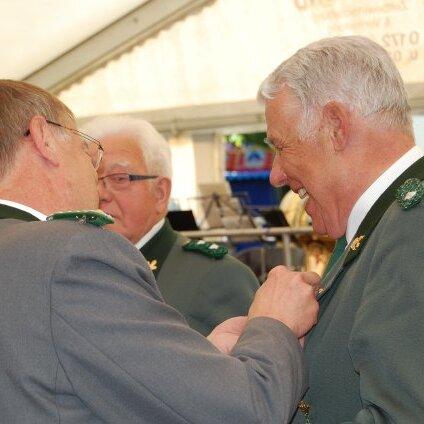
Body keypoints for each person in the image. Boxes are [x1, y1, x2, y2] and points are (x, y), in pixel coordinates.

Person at [0, 79, 320, 423]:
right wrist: (275, 324)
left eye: (119, 177)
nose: (97, 180)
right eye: (85, 148)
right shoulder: (70, 253)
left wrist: (199, 362)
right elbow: (245, 411)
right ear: (43, 138)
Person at [258, 36, 424, 423]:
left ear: (335, 126)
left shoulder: (412, 226)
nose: (275, 175)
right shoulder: (383, 225)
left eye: (281, 147)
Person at [81, 116, 259, 336]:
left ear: (160, 193)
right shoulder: (80, 267)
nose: (100, 193)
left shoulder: (219, 277)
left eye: (119, 178)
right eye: (90, 179)